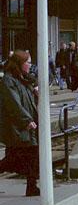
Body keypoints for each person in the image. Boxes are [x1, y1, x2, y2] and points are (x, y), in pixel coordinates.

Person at [0, 50, 40, 196]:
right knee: (13, 159)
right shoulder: (9, 81)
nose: (30, 65)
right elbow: (14, 103)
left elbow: (28, 101)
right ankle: (31, 186)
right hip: (18, 127)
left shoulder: (23, 79)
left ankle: (32, 186)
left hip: (28, 126)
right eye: (27, 62)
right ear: (19, 64)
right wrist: (26, 120)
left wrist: (35, 92)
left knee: (33, 155)